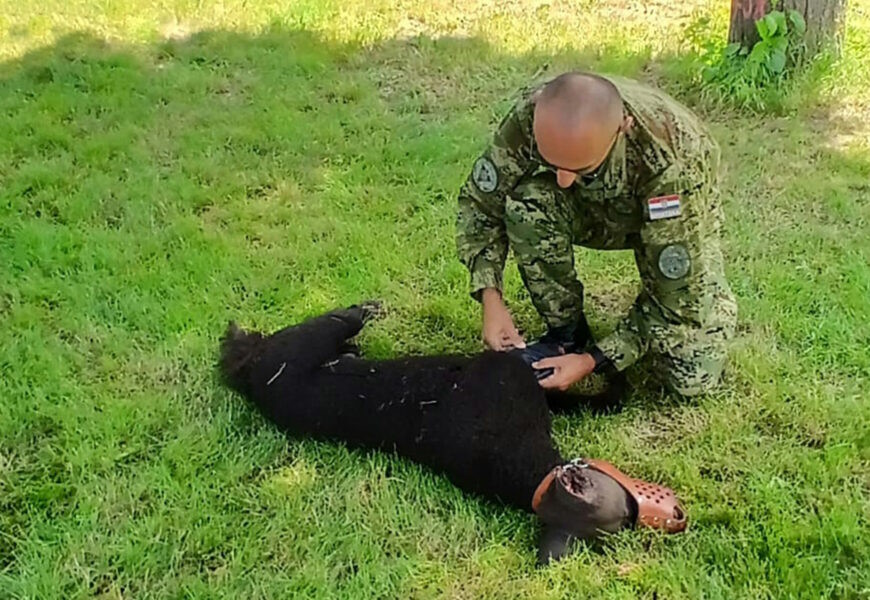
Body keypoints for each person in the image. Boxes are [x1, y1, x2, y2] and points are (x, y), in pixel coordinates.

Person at [456, 72, 737, 396]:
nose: (561, 180)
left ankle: (717, 303)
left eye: (580, 167)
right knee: (529, 203)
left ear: (623, 129)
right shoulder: (534, 115)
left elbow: (676, 299)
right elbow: (479, 203)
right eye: (553, 163)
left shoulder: (672, 163)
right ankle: (566, 336)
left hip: (669, 214)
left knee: (691, 377)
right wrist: (490, 296)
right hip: (590, 204)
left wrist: (595, 361)